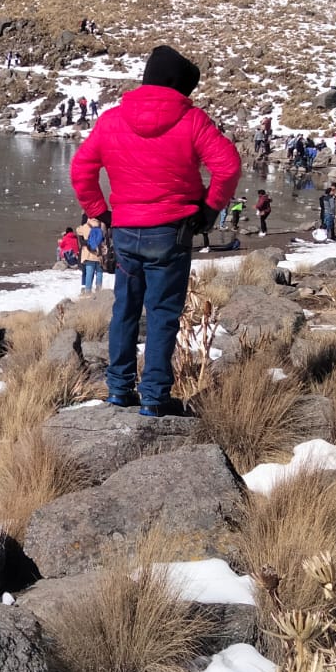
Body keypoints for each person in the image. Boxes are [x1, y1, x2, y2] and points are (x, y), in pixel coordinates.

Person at [70, 44, 240, 417]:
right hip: (172, 233)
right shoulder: (193, 120)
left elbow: (81, 170)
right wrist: (210, 210)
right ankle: (154, 398)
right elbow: (227, 167)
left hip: (127, 230)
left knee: (125, 310)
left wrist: (103, 212)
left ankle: (118, 390)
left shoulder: (112, 119)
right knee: (163, 314)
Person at [80, 216, 106, 291]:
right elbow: (104, 236)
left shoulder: (85, 226)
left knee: (89, 274)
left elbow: (78, 231)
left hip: (88, 254)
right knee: (99, 273)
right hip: (99, 253)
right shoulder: (102, 225)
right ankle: (99, 290)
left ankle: (88, 291)